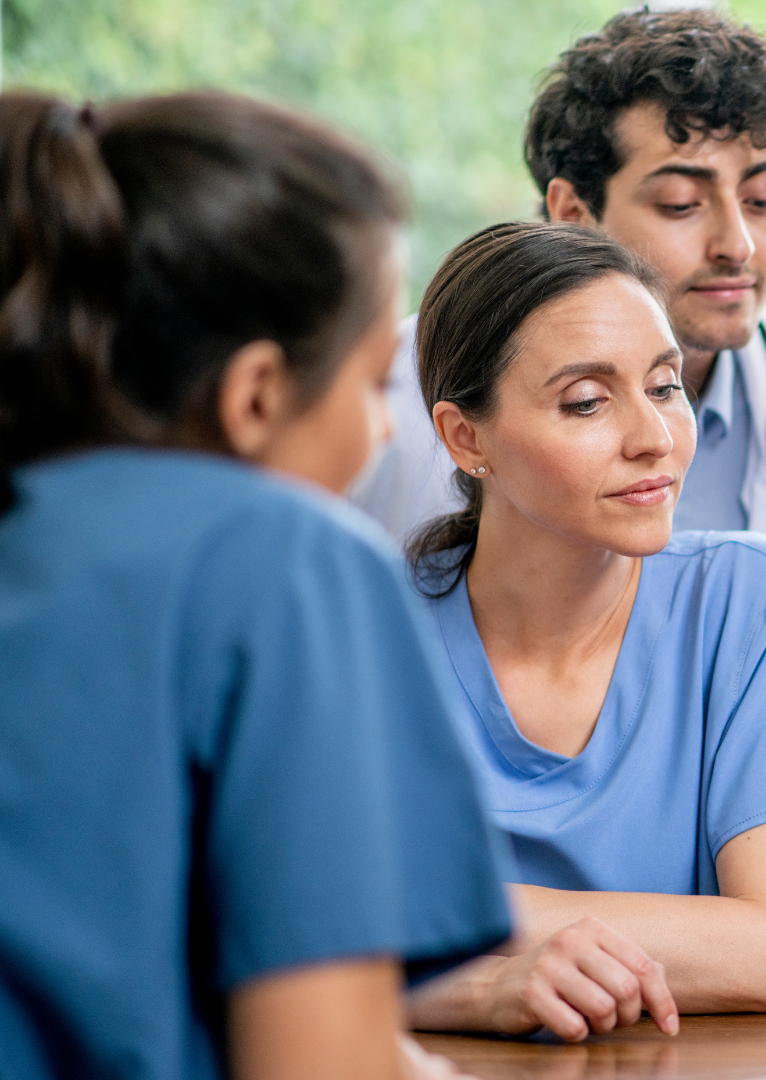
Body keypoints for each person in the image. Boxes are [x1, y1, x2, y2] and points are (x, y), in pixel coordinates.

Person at [0, 91, 514, 1079]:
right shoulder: (287, 562)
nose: (382, 432)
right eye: (374, 385)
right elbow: (323, 1063)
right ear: (256, 395)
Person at [399, 221, 766, 1037]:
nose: (655, 439)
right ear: (466, 436)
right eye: (587, 402)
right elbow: (262, 940)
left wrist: (436, 914)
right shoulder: (363, 634)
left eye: (665, 387)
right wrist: (481, 992)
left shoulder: (748, 600)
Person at [351, 8, 766, 585]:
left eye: (762, 198)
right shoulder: (391, 397)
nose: (737, 245)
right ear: (573, 214)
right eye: (682, 204)